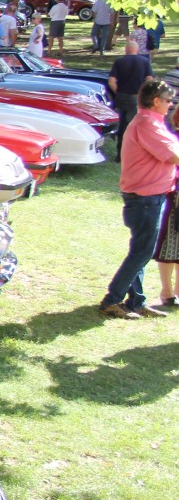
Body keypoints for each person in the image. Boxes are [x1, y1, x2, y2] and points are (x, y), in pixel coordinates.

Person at [101, 78, 179, 319]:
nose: (170, 105)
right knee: (142, 252)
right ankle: (112, 300)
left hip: (149, 197)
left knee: (140, 251)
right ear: (156, 101)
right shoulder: (147, 123)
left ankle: (136, 301)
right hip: (144, 198)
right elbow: (174, 155)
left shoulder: (151, 121)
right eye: (168, 101)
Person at [108, 37, 152, 160]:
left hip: (121, 96)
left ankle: (119, 153)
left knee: (121, 124)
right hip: (136, 97)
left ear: (126, 50)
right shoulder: (144, 61)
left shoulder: (119, 62)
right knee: (132, 126)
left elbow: (111, 81)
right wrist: (142, 92)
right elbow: (149, 79)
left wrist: (118, 91)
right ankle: (130, 154)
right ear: (137, 50)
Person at [156, 98, 179, 307]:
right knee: (168, 244)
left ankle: (176, 291)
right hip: (175, 196)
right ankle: (167, 291)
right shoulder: (173, 140)